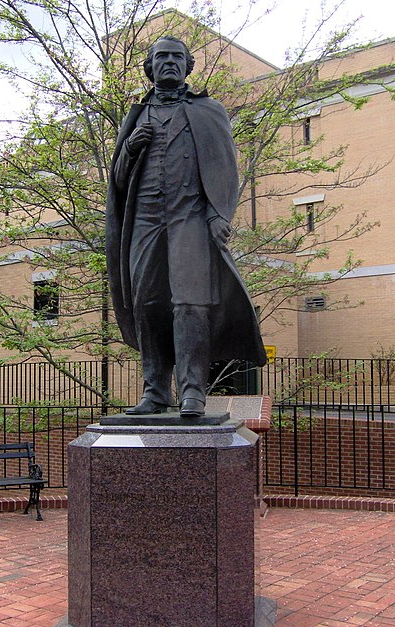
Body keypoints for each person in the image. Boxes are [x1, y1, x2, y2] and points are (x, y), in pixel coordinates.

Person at [106, 36, 266, 417]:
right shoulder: (136, 116)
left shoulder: (208, 110)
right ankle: (155, 392)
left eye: (177, 57)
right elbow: (118, 182)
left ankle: (193, 391)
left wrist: (218, 215)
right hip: (144, 218)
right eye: (161, 57)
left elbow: (226, 167)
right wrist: (129, 148)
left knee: (190, 304)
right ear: (150, 66)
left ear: (188, 66)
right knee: (147, 303)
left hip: (189, 216)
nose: (170, 62)